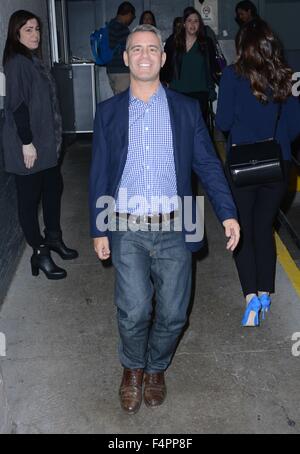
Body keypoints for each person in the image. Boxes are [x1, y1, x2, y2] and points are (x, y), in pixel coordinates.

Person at [89, 24, 240, 414]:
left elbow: (207, 164)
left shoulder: (186, 109)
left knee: (174, 313)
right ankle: (133, 368)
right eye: (136, 49)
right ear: (126, 58)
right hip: (125, 222)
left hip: (179, 218)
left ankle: (156, 367)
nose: (143, 55)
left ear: (163, 57)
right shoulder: (107, 113)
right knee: (134, 309)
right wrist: (98, 227)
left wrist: (227, 212)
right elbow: (100, 173)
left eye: (151, 49)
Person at [216, 19, 300, 327]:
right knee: (265, 229)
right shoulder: (285, 78)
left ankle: (251, 298)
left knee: (242, 230)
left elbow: (223, 121)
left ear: (242, 48)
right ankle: (266, 293)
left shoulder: (231, 76)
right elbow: (294, 129)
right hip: (278, 165)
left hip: (242, 165)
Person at [2, 10, 78, 280]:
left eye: (36, 29)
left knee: (53, 189)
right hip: (29, 145)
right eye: (28, 30)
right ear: (16, 33)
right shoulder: (16, 63)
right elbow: (18, 107)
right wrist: (27, 143)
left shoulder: (33, 60)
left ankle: (54, 238)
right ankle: (40, 252)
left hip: (46, 144)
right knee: (29, 200)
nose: (35, 35)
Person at [162, 7, 220, 122]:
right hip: (177, 91)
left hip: (200, 92)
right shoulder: (173, 41)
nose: (192, 24)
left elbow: (213, 66)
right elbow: (165, 64)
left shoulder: (206, 43)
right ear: (184, 23)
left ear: (200, 24)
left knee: (198, 128)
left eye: (196, 21)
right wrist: (164, 81)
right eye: (189, 20)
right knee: (179, 126)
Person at [106, 1, 136, 95]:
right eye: (132, 16)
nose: (131, 19)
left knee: (118, 99)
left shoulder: (109, 25)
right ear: (128, 13)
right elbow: (129, 50)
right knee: (123, 102)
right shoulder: (122, 29)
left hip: (111, 70)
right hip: (122, 71)